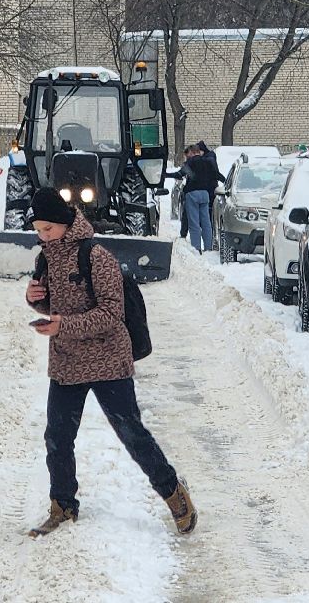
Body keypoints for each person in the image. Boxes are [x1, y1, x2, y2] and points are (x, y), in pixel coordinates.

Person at [23, 187, 195, 537]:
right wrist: (36, 300)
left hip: (107, 361)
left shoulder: (96, 255)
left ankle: (173, 492)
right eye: (38, 230)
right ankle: (63, 505)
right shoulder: (46, 258)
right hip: (67, 362)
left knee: (132, 434)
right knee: (57, 437)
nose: (43, 236)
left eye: (48, 229)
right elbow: (53, 306)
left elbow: (111, 314)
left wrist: (62, 325)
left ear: (64, 223)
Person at [167, 146, 222, 254]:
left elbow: (179, 174)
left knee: (194, 222)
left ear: (192, 152)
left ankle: (196, 248)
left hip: (192, 194)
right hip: (205, 194)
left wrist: (164, 175)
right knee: (206, 222)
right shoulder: (208, 162)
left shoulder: (190, 162)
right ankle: (208, 247)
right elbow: (217, 175)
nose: (187, 157)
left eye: (188, 155)